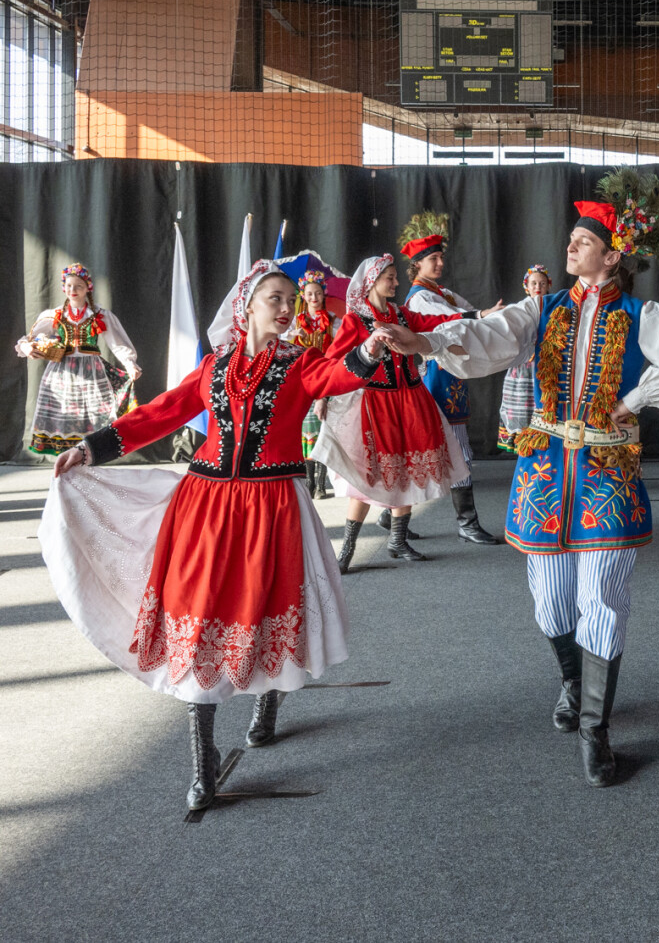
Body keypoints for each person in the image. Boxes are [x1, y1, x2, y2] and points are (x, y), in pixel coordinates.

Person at [40, 261, 397, 809]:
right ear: (246, 306)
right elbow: (161, 412)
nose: (287, 308)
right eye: (275, 298)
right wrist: (91, 448)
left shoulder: (300, 364)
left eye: (290, 300)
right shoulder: (213, 367)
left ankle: (269, 697)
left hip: (272, 507)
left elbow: (338, 375)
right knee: (200, 615)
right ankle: (203, 759)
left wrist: (370, 349)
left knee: (267, 606)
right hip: (204, 507)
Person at [399, 170, 659, 787]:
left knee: (603, 600)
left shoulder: (641, 314)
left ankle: (596, 729)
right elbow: (486, 336)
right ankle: (572, 680)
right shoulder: (540, 309)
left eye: (583, 240)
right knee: (550, 602)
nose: (570, 246)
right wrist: (424, 341)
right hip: (544, 471)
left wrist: (635, 399)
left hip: (608, 474)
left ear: (612, 254)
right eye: (571, 238)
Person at [311, 254, 475, 571]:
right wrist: (323, 395)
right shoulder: (355, 321)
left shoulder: (401, 315)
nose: (396, 282)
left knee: (408, 469)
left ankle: (398, 540)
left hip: (411, 401)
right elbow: (333, 360)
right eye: (390, 277)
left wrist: (477, 315)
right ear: (372, 280)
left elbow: (434, 322)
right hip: (376, 404)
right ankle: (347, 548)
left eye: (395, 277)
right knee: (367, 475)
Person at [399, 211, 504, 545]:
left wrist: (490, 319)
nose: (440, 263)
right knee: (456, 450)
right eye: (433, 258)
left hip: (448, 375)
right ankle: (466, 523)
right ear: (417, 264)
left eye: (441, 257)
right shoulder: (420, 297)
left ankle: (391, 516)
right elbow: (452, 320)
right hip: (436, 377)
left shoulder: (440, 292)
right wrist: (481, 316)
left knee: (430, 448)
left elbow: (466, 313)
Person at [15, 264, 141, 455]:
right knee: (63, 412)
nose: (72, 290)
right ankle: (67, 458)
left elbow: (117, 342)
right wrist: (27, 347)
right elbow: (30, 338)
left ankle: (90, 455)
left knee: (95, 412)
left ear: (87, 288)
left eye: (78, 286)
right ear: (63, 287)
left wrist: (130, 363)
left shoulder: (99, 314)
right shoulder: (55, 315)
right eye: (69, 286)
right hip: (61, 372)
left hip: (91, 371)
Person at [287, 270, 335, 498]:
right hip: (303, 379)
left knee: (325, 428)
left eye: (317, 293)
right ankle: (309, 481)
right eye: (309, 294)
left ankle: (321, 484)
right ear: (303, 296)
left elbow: (339, 348)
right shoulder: (295, 321)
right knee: (306, 430)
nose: (314, 298)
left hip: (325, 377)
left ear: (323, 294)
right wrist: (292, 336)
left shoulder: (333, 320)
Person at [499, 265, 554, 454]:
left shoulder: (554, 308)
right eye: (534, 283)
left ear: (548, 285)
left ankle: (543, 446)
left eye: (542, 283)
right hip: (522, 366)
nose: (538, 287)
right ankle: (523, 446)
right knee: (522, 403)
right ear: (527, 286)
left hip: (546, 364)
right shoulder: (519, 309)